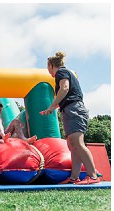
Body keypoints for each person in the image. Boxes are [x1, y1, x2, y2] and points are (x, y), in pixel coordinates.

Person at [40, 51, 100, 185]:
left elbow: (65, 88)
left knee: (77, 142)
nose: (48, 70)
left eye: (47, 67)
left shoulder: (61, 72)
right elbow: (65, 96)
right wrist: (51, 108)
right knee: (72, 145)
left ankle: (93, 176)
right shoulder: (64, 73)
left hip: (74, 110)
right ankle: (74, 177)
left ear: (51, 65)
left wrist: (52, 106)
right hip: (70, 109)